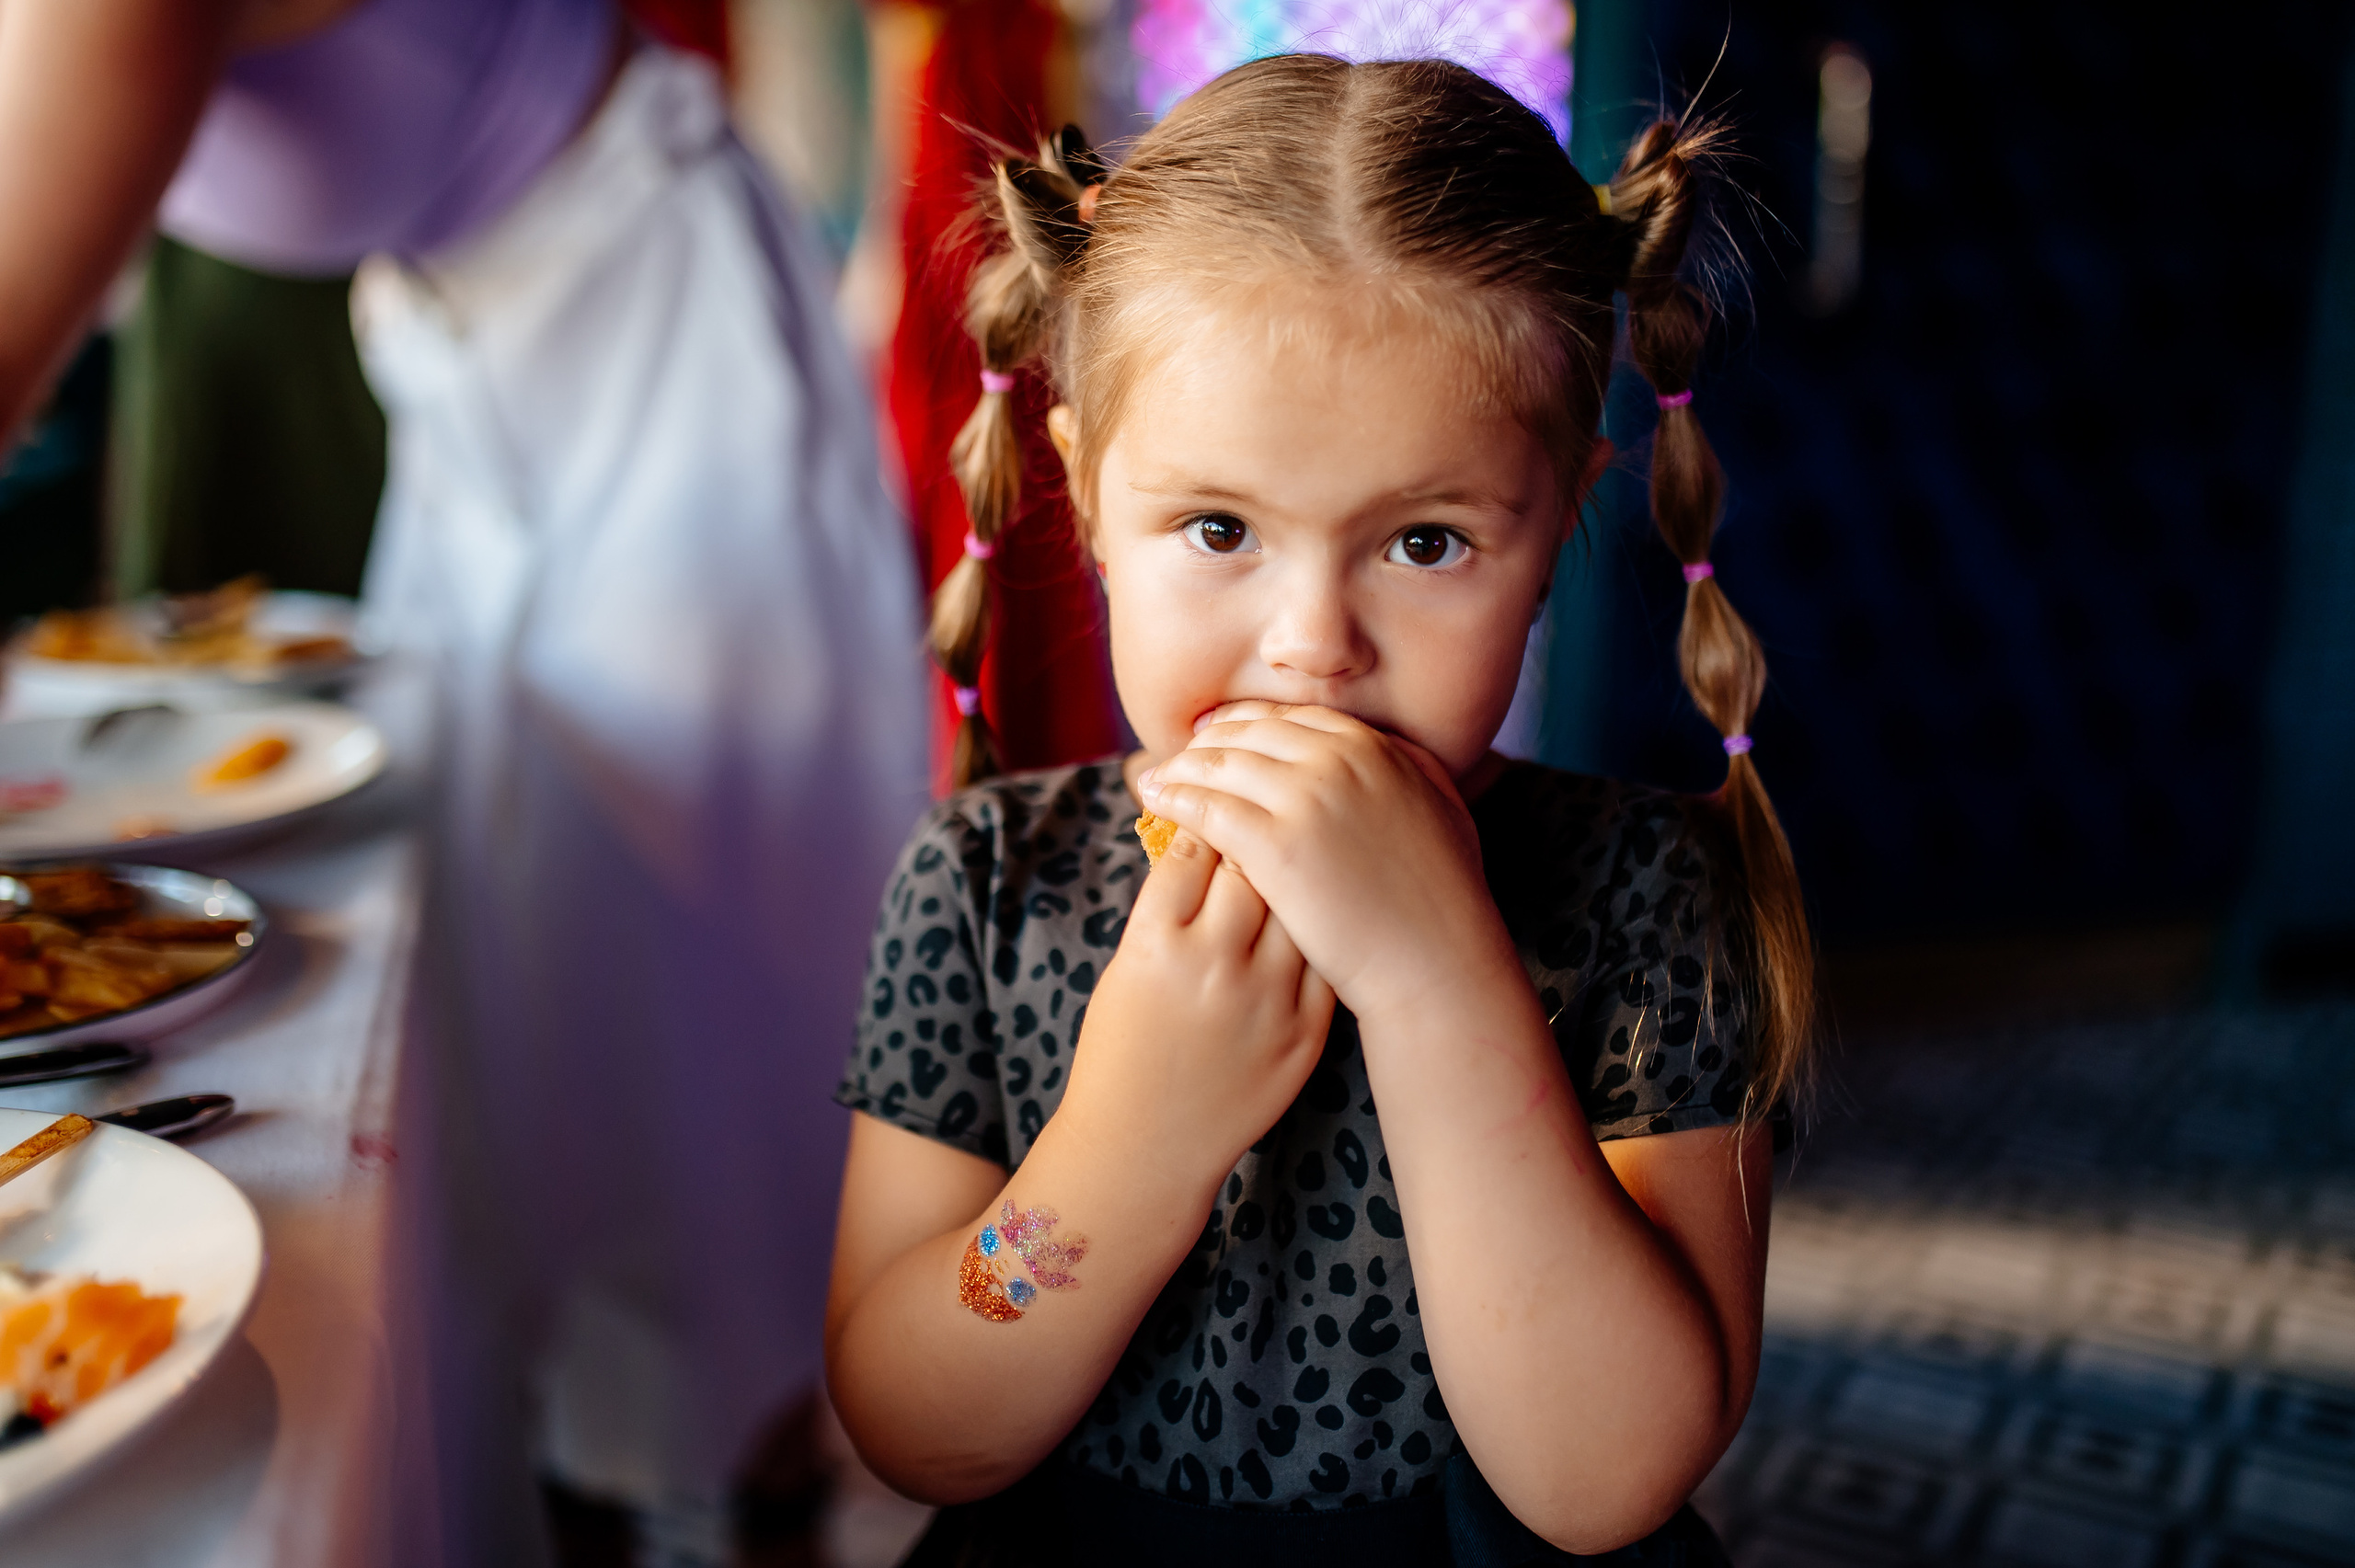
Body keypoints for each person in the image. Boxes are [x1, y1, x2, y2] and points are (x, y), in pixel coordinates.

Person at [821, 53, 1814, 1566]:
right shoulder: (982, 883)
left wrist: (1436, 986)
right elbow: (912, 1417)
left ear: (1554, 523)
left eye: (1425, 541)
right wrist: (1123, 1141)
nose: (1311, 643)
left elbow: (1602, 1477)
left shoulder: (1653, 899)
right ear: (1088, 498)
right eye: (1218, 527)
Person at [0, 1, 928, 1559]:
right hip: (472, 341)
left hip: (647, 321)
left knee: (702, 993)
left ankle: (761, 1476)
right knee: (511, 965)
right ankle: (617, 1467)